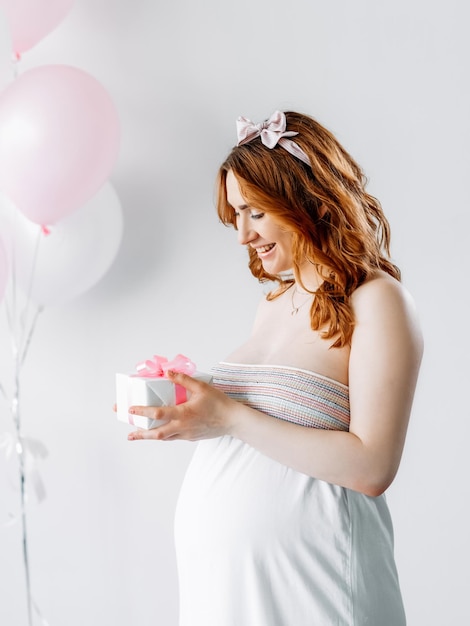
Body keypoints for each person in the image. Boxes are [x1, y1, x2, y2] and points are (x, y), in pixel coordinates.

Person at [127, 110, 424, 625]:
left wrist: (230, 417)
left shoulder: (377, 301)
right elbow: (270, 437)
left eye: (255, 213)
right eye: (235, 216)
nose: (242, 235)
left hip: (317, 588)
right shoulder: (271, 304)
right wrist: (193, 412)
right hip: (227, 593)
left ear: (304, 200)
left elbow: (373, 468)